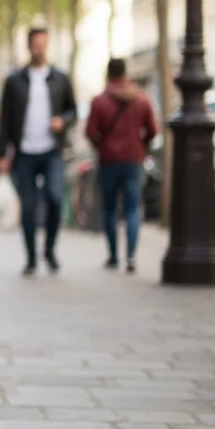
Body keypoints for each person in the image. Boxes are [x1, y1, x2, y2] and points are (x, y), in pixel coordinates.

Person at [0, 25, 77, 275]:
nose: (39, 48)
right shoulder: (14, 81)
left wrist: (62, 121)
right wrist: (1, 154)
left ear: (47, 45)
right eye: (35, 44)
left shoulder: (60, 78)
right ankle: (31, 257)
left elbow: (73, 111)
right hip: (25, 153)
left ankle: (49, 249)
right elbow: (5, 120)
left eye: (43, 44)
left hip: (52, 150)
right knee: (28, 207)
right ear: (29, 46)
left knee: (54, 198)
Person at [85, 58, 158, 272]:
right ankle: (131, 257)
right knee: (133, 209)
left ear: (108, 75)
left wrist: (101, 144)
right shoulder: (142, 100)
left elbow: (90, 132)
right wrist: (140, 145)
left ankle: (113, 256)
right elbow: (152, 130)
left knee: (109, 209)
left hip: (108, 161)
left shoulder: (99, 102)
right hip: (133, 160)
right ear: (126, 74)